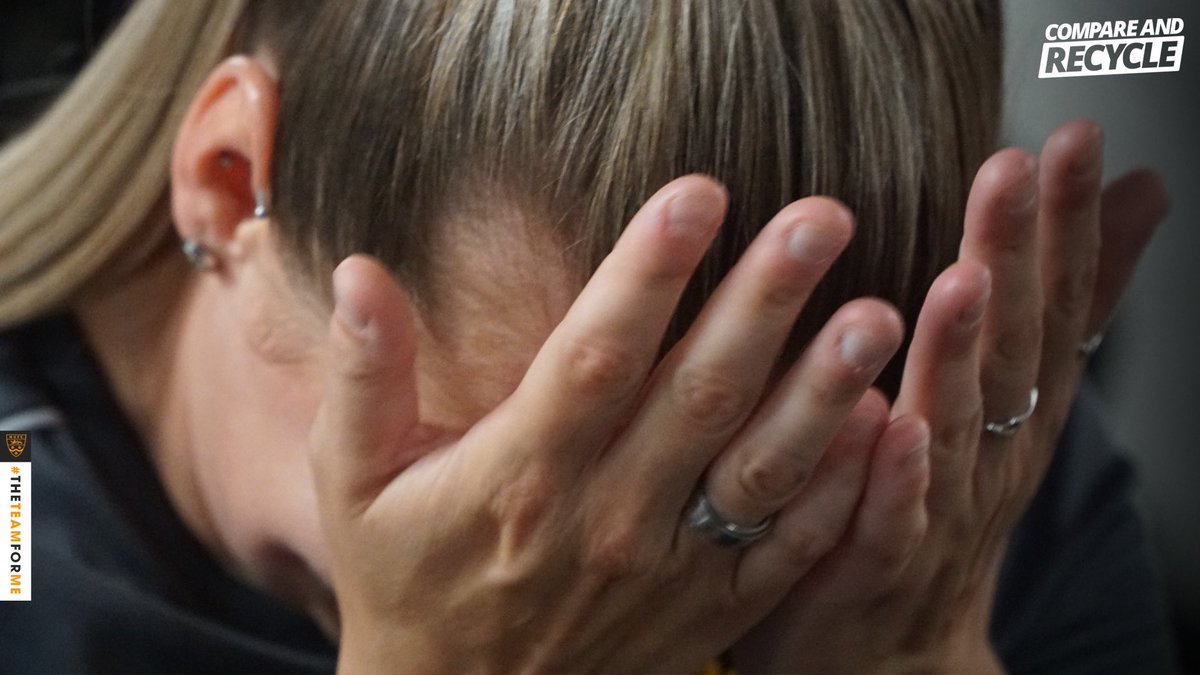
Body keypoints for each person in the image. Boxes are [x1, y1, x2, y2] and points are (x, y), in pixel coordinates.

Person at [0, 1, 1176, 672]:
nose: (624, 586)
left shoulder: (934, 474)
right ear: (228, 187)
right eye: (508, 481)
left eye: (729, 504)